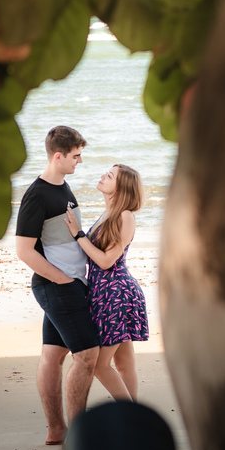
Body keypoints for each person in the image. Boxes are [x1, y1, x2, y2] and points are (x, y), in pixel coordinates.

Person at [15, 126, 99, 446]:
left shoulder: (63, 186)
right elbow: (24, 251)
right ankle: (79, 434)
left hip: (67, 283)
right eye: (76, 156)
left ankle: (57, 429)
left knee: (53, 354)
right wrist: (62, 279)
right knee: (87, 355)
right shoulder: (37, 195)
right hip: (58, 285)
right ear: (58, 156)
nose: (80, 161)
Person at [64, 164, 147, 402]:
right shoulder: (108, 214)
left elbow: (106, 261)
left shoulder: (125, 216)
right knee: (123, 361)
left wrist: (79, 234)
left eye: (109, 176)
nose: (102, 176)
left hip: (116, 293)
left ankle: (131, 416)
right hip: (106, 291)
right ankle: (133, 422)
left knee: (100, 366)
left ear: (121, 188)